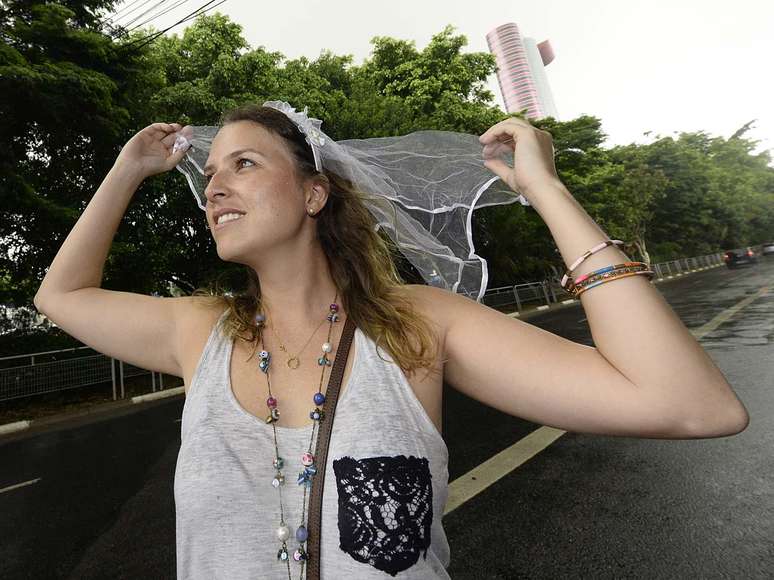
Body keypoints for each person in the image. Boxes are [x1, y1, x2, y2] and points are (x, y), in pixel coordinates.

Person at [33, 102, 749, 579]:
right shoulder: (199, 330)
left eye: (244, 164)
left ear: (315, 194)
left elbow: (689, 405)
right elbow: (60, 296)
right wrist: (127, 170)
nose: (215, 187)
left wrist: (547, 190)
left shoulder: (418, 325)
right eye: (211, 174)